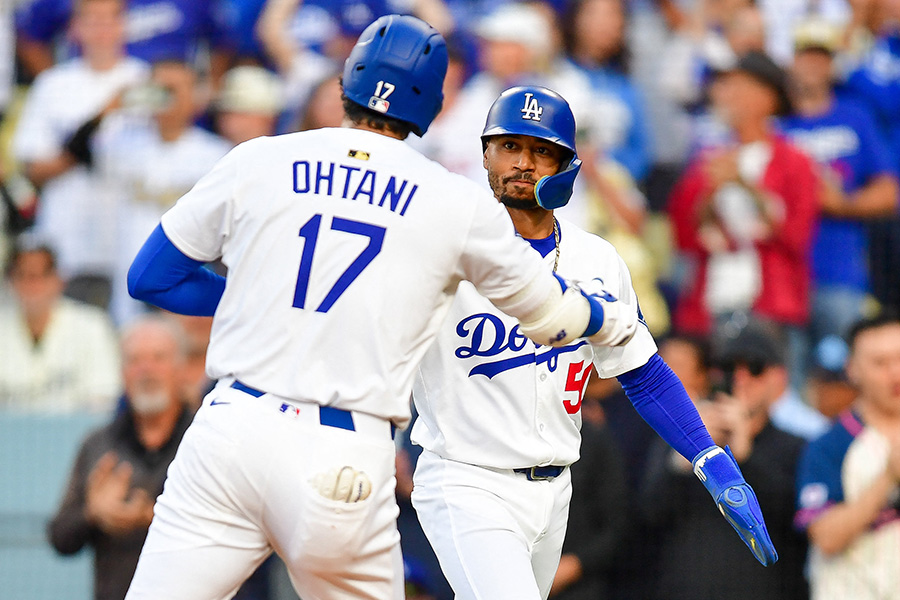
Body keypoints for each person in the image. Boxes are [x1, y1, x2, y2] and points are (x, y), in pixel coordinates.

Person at [121, 15, 639, 600]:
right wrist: (609, 319)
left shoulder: (259, 159)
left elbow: (149, 277)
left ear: (348, 81)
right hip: (339, 446)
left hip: (228, 427)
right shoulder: (450, 200)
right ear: (434, 105)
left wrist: (258, 301)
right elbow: (552, 313)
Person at [409, 85, 778, 600]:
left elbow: (643, 374)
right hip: (466, 479)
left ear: (566, 165)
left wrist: (709, 459)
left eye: (541, 150)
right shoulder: (441, 245)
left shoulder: (598, 259)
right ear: (486, 152)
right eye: (510, 146)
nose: (523, 162)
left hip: (556, 488)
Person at [640, 318, 810, 600]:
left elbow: (797, 524)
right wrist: (688, 456)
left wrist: (745, 457)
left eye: (755, 367)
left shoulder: (796, 446)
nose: (741, 378)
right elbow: (648, 516)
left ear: (779, 379)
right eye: (729, 367)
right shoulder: (678, 441)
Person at [47, 315, 195, 600]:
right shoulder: (98, 445)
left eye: (158, 358)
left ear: (181, 369)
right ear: (122, 372)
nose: (146, 370)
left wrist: (153, 516)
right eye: (135, 360)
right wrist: (92, 512)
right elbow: (60, 538)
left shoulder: (206, 442)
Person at [11, 0, 149, 307]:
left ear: (125, 25)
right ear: (75, 27)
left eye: (110, 19)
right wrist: (97, 122)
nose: (102, 28)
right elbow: (32, 170)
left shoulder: (145, 80)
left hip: (130, 234)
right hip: (67, 237)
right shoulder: (53, 84)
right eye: (93, 19)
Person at [781, 17, 898, 365]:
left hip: (840, 271)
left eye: (822, 57)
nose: (813, 66)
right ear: (791, 61)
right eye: (805, 56)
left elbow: (889, 192)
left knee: (846, 372)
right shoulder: (775, 122)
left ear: (833, 64)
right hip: (784, 276)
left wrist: (842, 204)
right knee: (791, 382)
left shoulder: (855, 116)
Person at [794, 314, 900, 600]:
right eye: (880, 363)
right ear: (852, 369)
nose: (895, 373)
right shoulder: (830, 444)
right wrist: (888, 476)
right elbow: (825, 537)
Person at [0, 243, 121, 413]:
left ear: (58, 280)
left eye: (39, 276)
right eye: (22, 276)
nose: (32, 285)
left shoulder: (92, 326)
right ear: (11, 282)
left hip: (76, 435)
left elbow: (103, 398)